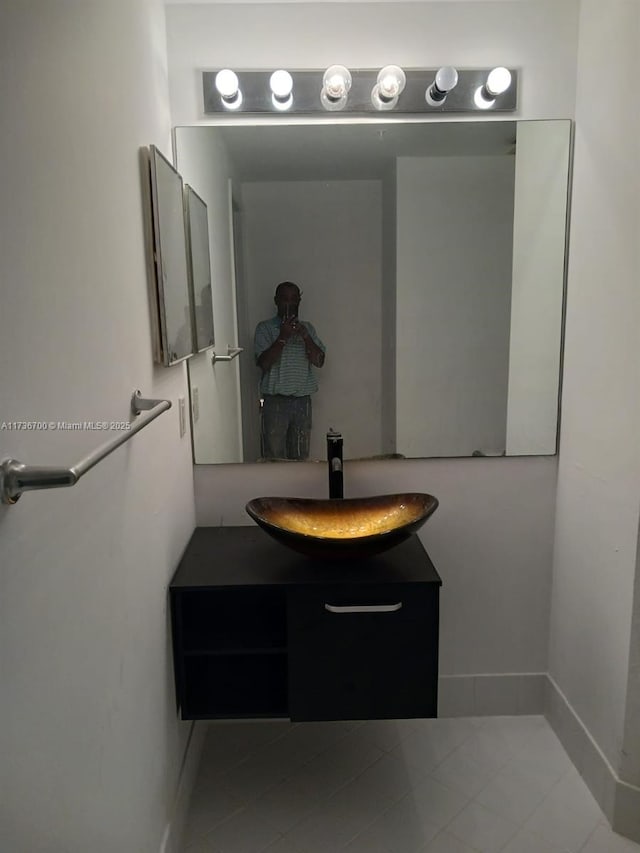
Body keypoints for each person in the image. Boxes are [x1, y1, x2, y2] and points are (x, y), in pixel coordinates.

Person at [254, 281, 326, 460]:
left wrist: (306, 337)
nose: (290, 304)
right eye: (285, 299)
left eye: (295, 299)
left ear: (299, 301)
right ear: (276, 301)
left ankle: (298, 489)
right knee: (273, 457)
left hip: (302, 402)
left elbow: (319, 361)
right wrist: (283, 336)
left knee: (301, 457)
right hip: (274, 402)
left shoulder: (308, 328)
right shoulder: (265, 328)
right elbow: (263, 363)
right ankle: (274, 489)